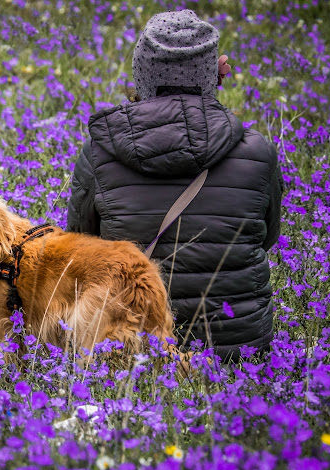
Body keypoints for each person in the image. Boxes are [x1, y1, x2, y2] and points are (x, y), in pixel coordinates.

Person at [66, 9, 283, 362]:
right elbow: (266, 238)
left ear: (141, 75)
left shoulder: (100, 152)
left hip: (133, 344)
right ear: (214, 75)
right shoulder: (257, 152)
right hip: (235, 350)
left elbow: (81, 244)